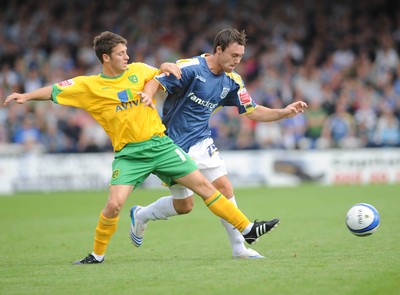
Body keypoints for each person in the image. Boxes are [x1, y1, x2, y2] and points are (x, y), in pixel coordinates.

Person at [3, 31, 279, 264]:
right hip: (129, 155)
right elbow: (54, 91)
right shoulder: (88, 86)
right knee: (114, 205)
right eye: (122, 53)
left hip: (161, 145)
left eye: (127, 52)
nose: (127, 56)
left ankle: (247, 229)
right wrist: (25, 96)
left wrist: (168, 65)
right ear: (106, 58)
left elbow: (162, 72)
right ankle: (96, 255)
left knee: (206, 190)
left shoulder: (137, 70)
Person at [134, 28, 308, 259]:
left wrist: (283, 113)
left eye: (240, 57)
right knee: (184, 206)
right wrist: (148, 96)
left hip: (201, 141)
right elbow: (157, 81)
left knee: (224, 188)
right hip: (171, 145)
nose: (237, 61)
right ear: (218, 49)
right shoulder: (190, 68)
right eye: (234, 55)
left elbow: (252, 111)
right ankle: (141, 215)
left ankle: (239, 248)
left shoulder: (233, 81)